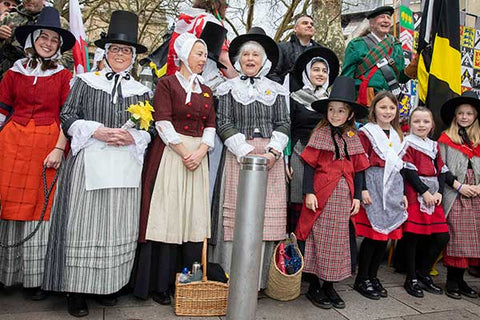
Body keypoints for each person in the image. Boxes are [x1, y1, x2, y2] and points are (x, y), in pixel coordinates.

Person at [41, 11, 152, 317]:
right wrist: (97, 130)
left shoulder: (142, 91)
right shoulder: (85, 81)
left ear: (132, 56)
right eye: (115, 49)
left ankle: (107, 285)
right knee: (82, 225)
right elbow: (67, 116)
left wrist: (132, 138)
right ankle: (75, 290)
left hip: (124, 169)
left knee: (115, 226)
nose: (120, 54)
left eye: (126, 50)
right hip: (88, 163)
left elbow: (150, 130)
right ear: (105, 52)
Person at [134, 32, 215, 305]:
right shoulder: (167, 84)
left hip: (197, 157)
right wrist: (185, 153)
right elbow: (163, 121)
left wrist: (201, 152)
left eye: (204, 54)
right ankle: (160, 285)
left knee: (191, 218)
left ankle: (185, 282)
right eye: (199, 53)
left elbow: (211, 125)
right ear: (183, 55)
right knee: (168, 217)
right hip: (172, 154)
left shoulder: (206, 89)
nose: (203, 59)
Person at [0, 6, 74, 299]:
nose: (47, 42)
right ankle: (7, 276)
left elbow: (67, 115)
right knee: (8, 205)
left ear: (58, 46)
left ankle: (35, 280)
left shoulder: (64, 76)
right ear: (32, 39)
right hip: (11, 143)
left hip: (46, 145)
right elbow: (2, 108)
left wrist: (59, 147)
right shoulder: (13, 73)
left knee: (39, 209)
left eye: (54, 39)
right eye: (43, 36)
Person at [212, 27, 290, 289]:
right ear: (238, 60)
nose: (250, 58)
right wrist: (245, 152)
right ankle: (232, 279)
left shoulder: (276, 89)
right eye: (245, 54)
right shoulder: (227, 89)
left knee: (266, 219)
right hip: (238, 156)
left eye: (255, 54)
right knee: (237, 218)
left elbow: (283, 123)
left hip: (271, 158)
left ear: (264, 60)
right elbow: (223, 123)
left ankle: (258, 281)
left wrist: (272, 152)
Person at [296, 76, 369, 309]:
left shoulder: (353, 138)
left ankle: (330, 285)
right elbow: (309, 165)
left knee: (338, 243)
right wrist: (309, 192)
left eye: (341, 111)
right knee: (319, 240)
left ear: (350, 115)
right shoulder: (320, 135)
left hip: (344, 199)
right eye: (332, 110)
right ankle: (315, 285)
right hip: (321, 197)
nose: (336, 115)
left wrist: (357, 196)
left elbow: (359, 171)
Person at [353, 91, 407, 300]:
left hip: (392, 185)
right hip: (373, 184)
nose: (387, 111)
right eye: (383, 107)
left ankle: (373, 276)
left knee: (385, 237)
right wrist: (363, 189)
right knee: (373, 237)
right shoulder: (366, 133)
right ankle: (362, 278)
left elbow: (400, 167)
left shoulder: (398, 135)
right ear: (374, 109)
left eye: (391, 108)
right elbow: (360, 163)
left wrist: (401, 193)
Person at [399, 106, 450, 298]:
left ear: (432, 125)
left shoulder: (434, 145)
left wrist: (440, 194)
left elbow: (442, 171)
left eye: (425, 121)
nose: (421, 125)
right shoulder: (407, 143)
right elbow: (408, 171)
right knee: (413, 237)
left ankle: (423, 272)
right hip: (415, 194)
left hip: (433, 196)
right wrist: (424, 192)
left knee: (441, 236)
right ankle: (411, 278)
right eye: (417, 121)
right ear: (410, 123)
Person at [287, 46, 339, 233]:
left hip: (323, 159)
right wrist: (286, 159)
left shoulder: (332, 102)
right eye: (316, 69)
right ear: (307, 72)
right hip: (299, 154)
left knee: (319, 202)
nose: (320, 74)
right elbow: (287, 129)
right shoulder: (294, 98)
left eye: (324, 71)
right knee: (298, 203)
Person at [438, 91, 480, 299]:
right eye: (460, 113)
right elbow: (441, 167)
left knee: (474, 239)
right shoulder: (446, 139)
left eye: (469, 113)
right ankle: (452, 280)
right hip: (456, 194)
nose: (464, 117)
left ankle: (462, 280)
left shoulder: (478, 141)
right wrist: (459, 186)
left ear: (475, 117)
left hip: (477, 194)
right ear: (455, 116)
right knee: (458, 239)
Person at [341, 6, 415, 106]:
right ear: (371, 23)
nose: (386, 21)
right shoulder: (356, 45)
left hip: (389, 101)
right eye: (382, 17)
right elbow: (347, 78)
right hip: (366, 101)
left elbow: (400, 78)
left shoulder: (397, 46)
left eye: (388, 18)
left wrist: (414, 67)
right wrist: (345, 104)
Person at [0, 0, 73, 79]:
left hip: (46, 78)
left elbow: (69, 53)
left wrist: (47, 69)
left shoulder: (58, 22)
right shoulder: (10, 18)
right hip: (9, 75)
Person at [166, 0, 236, 79]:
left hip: (176, 79)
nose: (226, 8)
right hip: (201, 83)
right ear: (215, 4)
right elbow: (223, 59)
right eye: (225, 4)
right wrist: (239, 82)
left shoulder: (184, 22)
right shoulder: (211, 22)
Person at [269, 14, 322, 87]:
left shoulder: (321, 51)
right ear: (295, 28)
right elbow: (273, 73)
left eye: (312, 24)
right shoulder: (282, 48)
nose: (309, 26)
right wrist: (283, 91)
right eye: (305, 23)